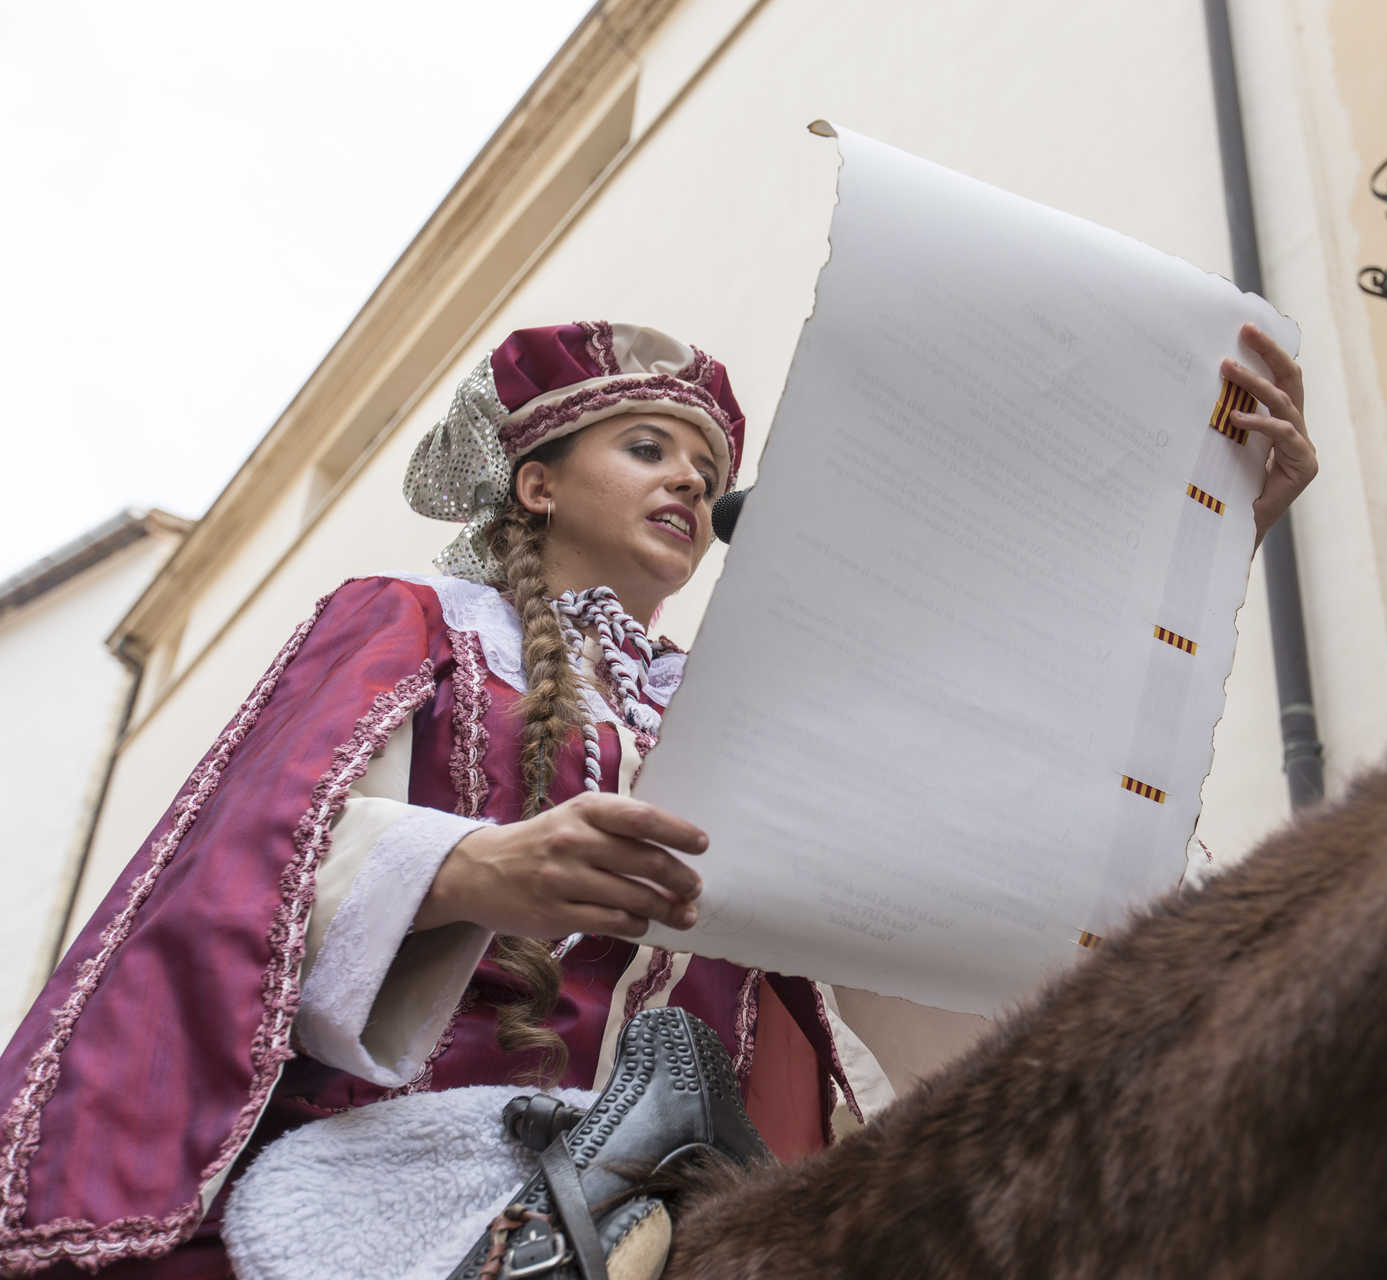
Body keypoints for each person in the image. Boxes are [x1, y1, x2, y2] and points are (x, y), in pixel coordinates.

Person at [0, 319, 1314, 1278]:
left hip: (722, 1182)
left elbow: (973, 843)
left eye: (704, 463)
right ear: (536, 481)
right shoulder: (414, 626)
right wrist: (468, 871)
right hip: (416, 1162)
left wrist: (1200, 534)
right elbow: (252, 852)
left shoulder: (749, 696)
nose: (690, 480)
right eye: (647, 447)